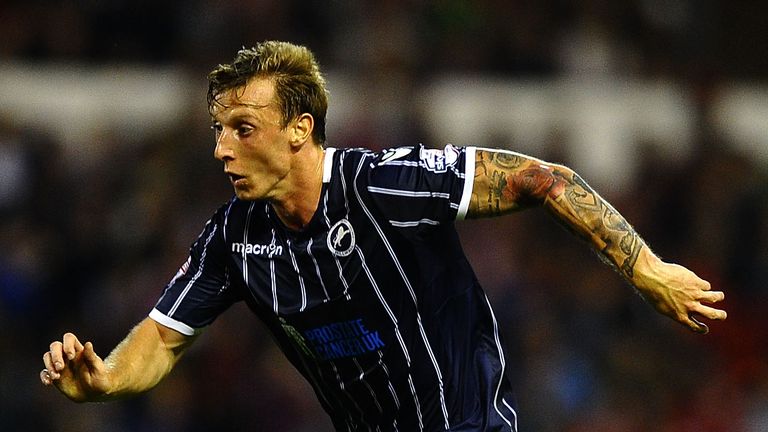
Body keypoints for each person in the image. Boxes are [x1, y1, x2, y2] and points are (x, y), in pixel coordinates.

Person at [40, 41, 727, 431]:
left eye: (242, 128)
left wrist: (646, 268)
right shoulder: (234, 238)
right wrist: (103, 380)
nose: (222, 149)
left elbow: (542, 179)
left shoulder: (384, 188)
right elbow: (162, 337)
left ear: (300, 127)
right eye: (218, 130)